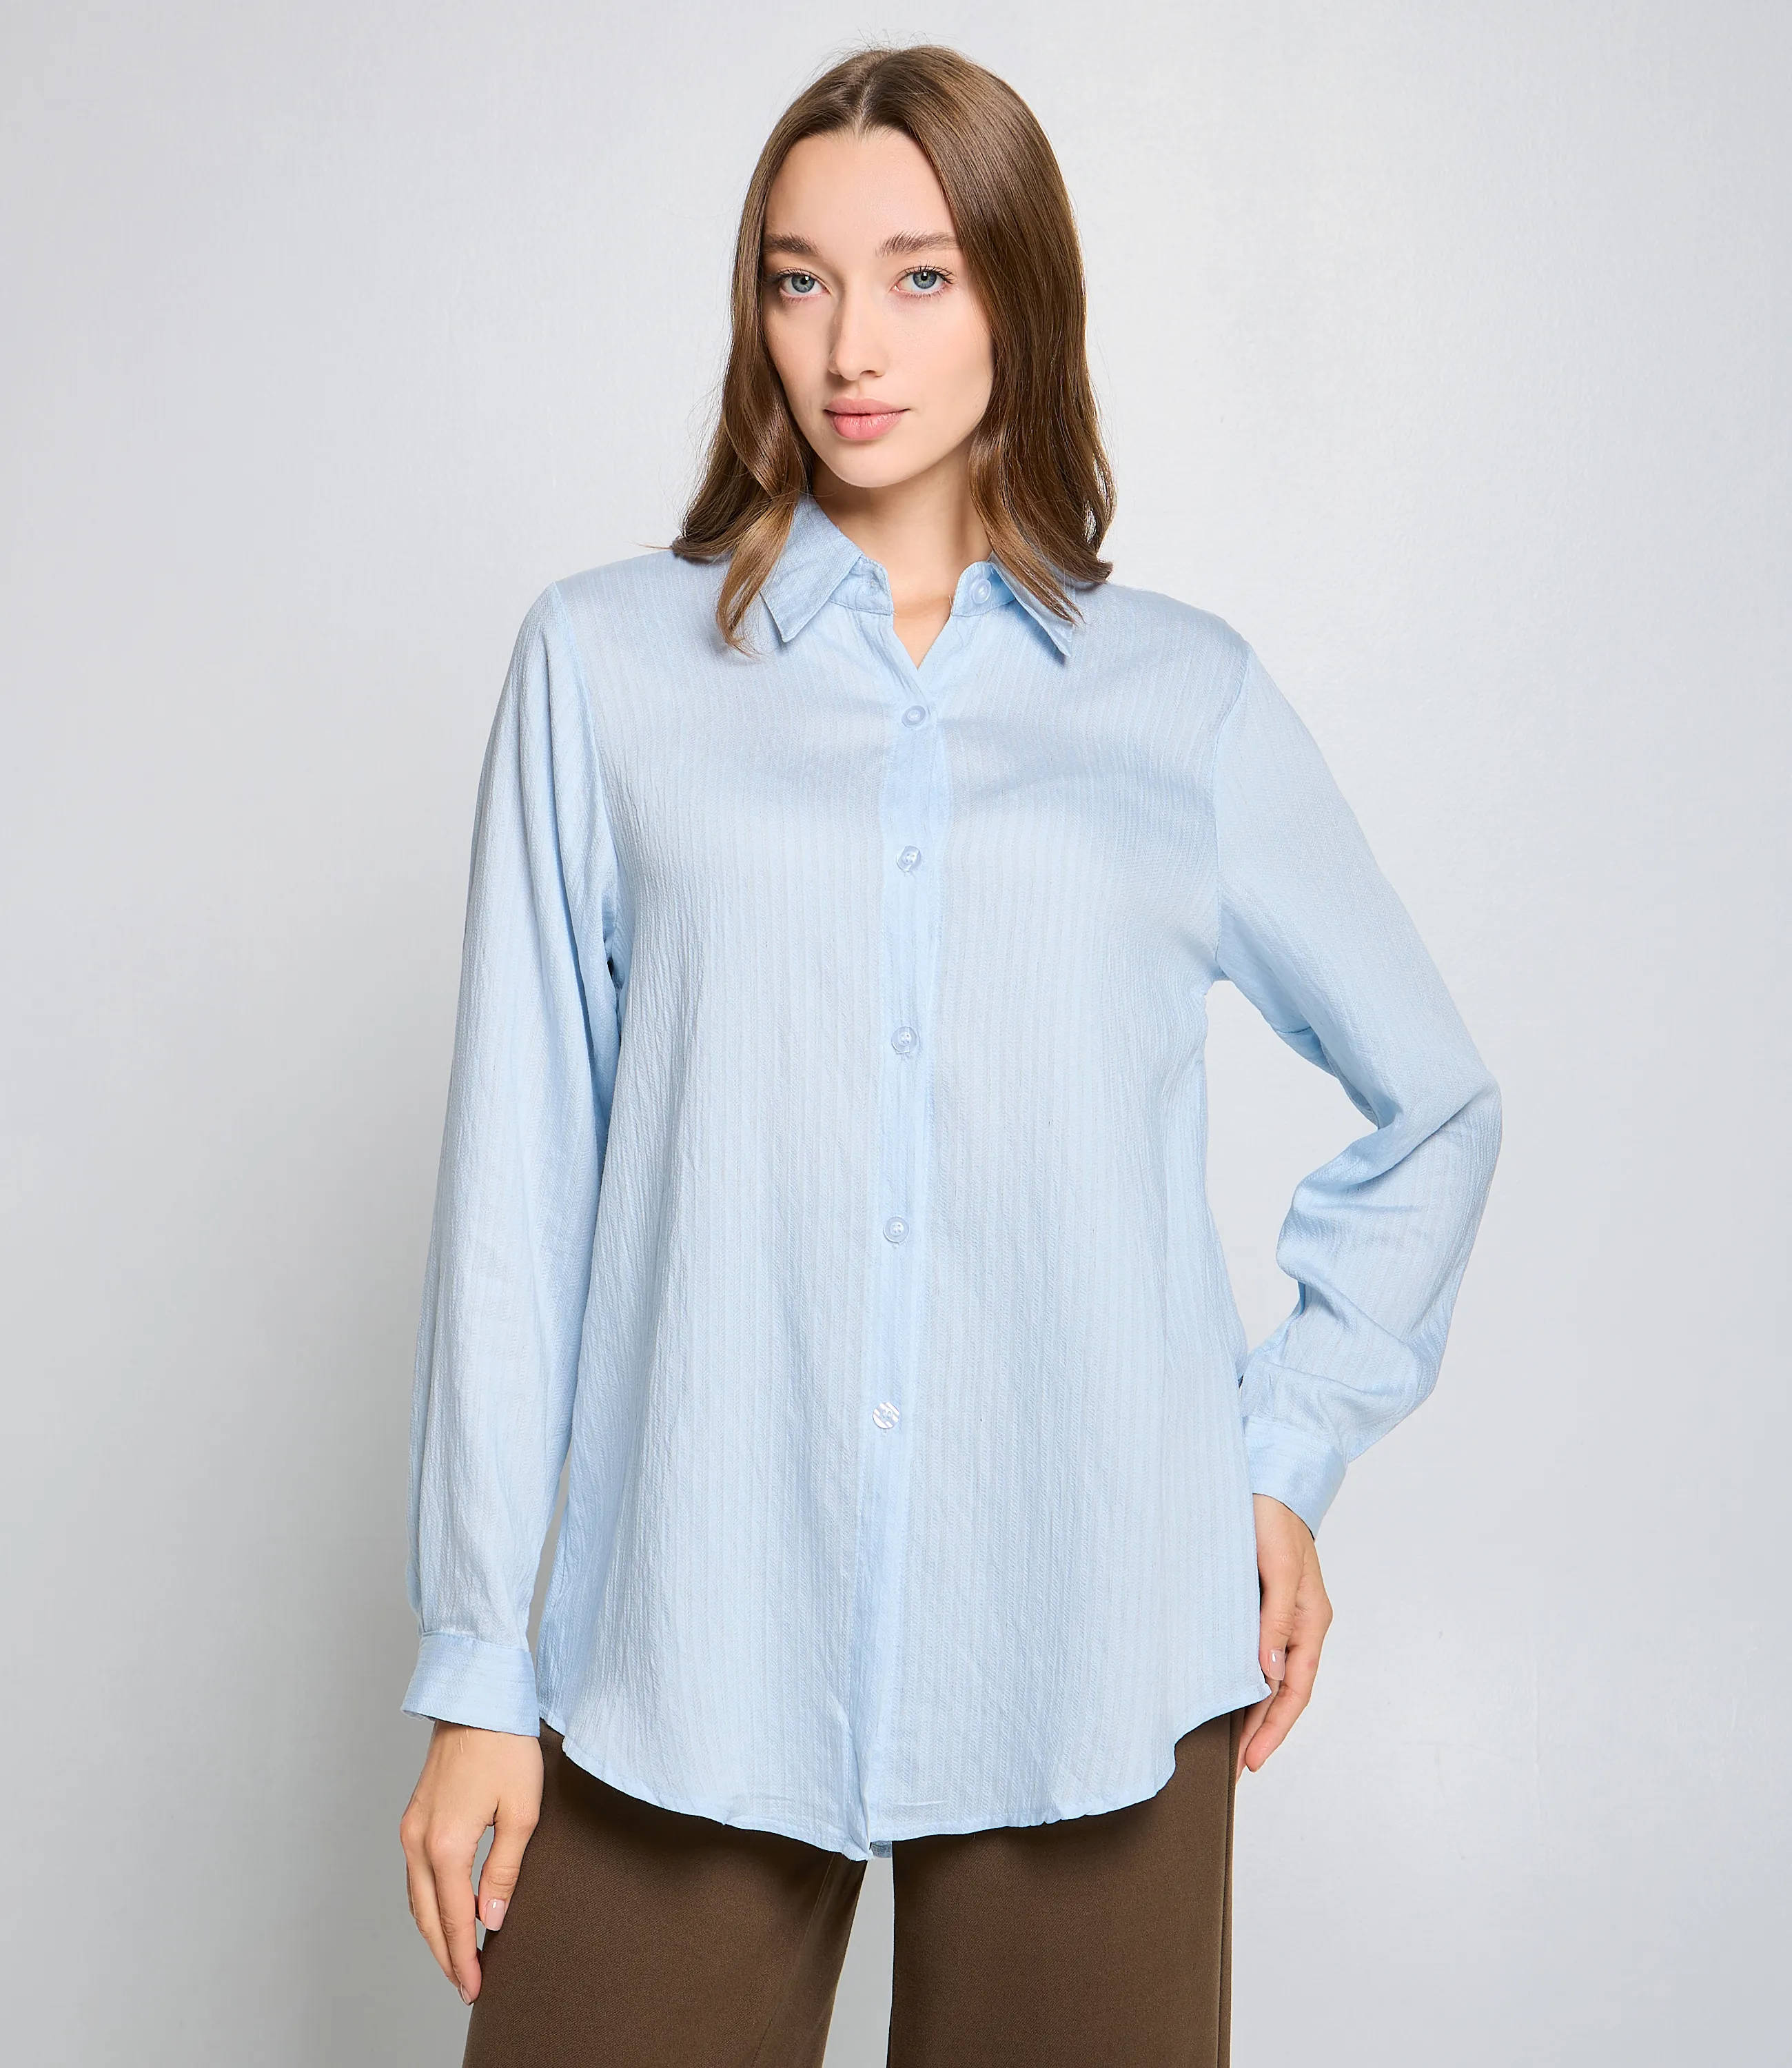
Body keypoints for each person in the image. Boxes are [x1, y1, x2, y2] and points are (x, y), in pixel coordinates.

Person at [397, 41, 1501, 2068]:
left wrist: (1281, 1458)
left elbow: (1435, 1100)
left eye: (919, 275)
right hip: (689, 1637)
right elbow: (517, 1187)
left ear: (1020, 290)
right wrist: (479, 1666)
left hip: (1096, 1637)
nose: (853, 345)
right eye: (798, 279)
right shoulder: (608, 671)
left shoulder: (1179, 703)